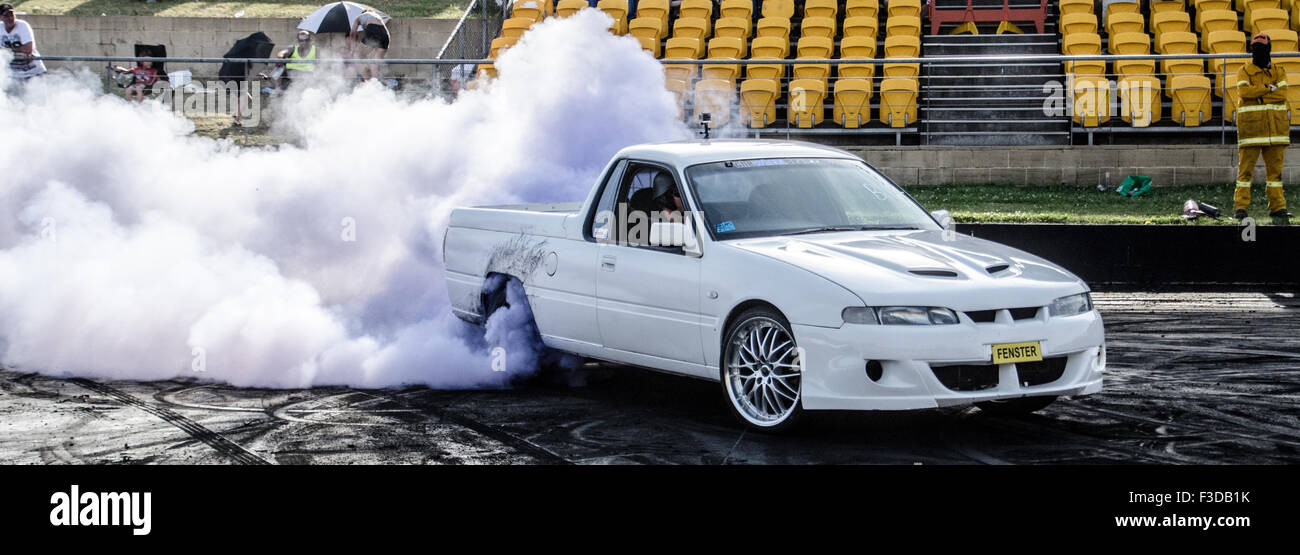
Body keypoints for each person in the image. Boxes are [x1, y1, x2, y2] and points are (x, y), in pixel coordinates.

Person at [1234, 32, 1291, 220]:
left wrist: (1256, 93)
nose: (1258, 52)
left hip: (1276, 131)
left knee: (1275, 175)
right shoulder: (1244, 71)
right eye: (1255, 49)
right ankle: (1240, 208)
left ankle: (1278, 208)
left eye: (1262, 49)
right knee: (1245, 173)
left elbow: (1282, 94)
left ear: (1269, 50)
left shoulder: (1279, 71)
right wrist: (1268, 89)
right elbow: (1244, 91)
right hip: (1251, 132)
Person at [1, 3, 46, 80]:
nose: (10, 18)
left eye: (12, 14)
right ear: (1, 17)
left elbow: (28, 49)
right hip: (13, 75)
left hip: (33, 72)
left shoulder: (23, 25)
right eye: (6, 16)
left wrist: (6, 51)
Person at [349, 8, 389, 81]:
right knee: (373, 61)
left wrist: (352, 49)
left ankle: (366, 80)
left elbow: (352, 33)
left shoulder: (360, 16)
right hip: (386, 35)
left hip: (373, 31)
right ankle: (375, 83)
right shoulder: (376, 16)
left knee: (356, 54)